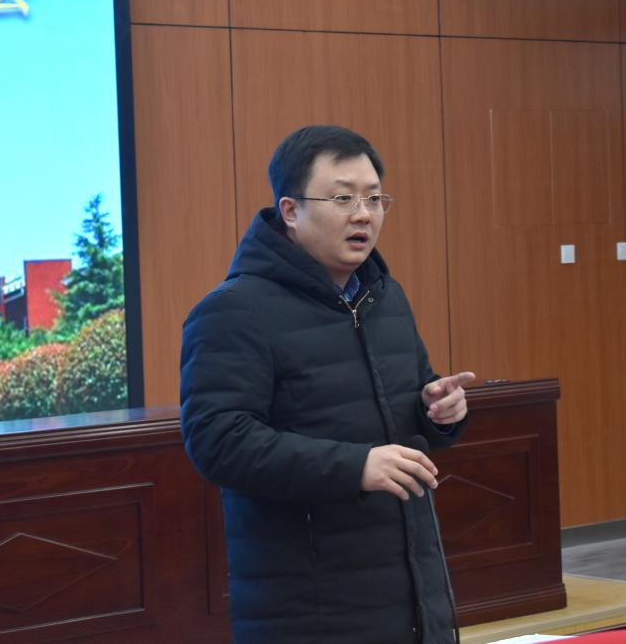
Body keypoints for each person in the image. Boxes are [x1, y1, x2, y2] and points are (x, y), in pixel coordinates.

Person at [180, 124, 475, 643]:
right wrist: (355, 466)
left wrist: (437, 409)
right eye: (343, 198)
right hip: (308, 605)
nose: (363, 214)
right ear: (291, 211)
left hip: (411, 591)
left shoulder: (385, 297)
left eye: (374, 199)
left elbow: (403, 401)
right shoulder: (234, 311)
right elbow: (218, 441)